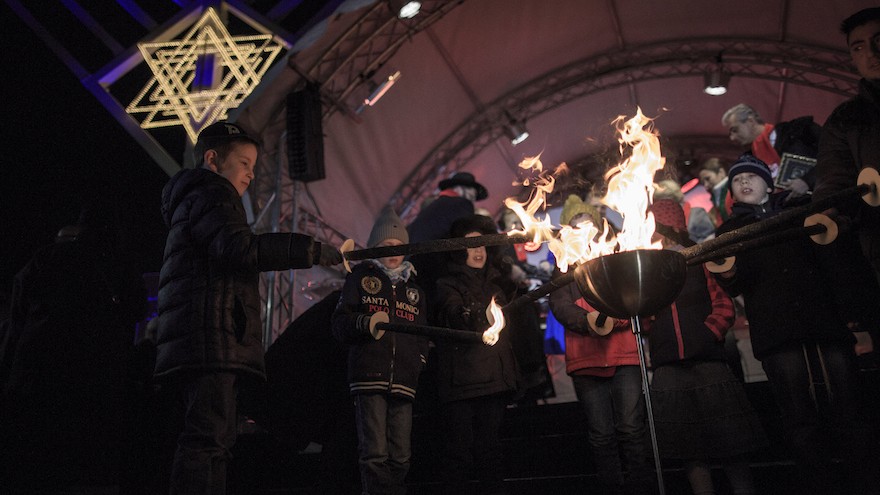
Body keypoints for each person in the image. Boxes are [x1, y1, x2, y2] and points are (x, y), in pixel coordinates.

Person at [154, 121, 342, 494]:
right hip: (212, 341)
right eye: (243, 163)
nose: (251, 175)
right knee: (209, 441)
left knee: (211, 440)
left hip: (205, 340)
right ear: (212, 159)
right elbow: (240, 249)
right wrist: (310, 249)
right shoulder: (212, 195)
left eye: (253, 166)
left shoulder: (195, 200)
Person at [712, 154, 878, 495]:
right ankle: (820, 485)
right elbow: (736, 282)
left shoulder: (802, 213)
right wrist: (727, 270)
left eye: (750, 177)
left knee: (850, 410)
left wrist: (850, 312)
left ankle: (866, 482)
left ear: (768, 183)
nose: (743, 182)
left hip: (823, 322)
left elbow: (835, 264)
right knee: (799, 419)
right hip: (778, 332)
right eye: (737, 180)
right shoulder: (728, 231)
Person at [1, 202, 148, 493]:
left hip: (39, 373)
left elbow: (17, 319)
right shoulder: (118, 263)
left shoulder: (47, 257)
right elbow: (137, 310)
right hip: (95, 381)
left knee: (38, 464)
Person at [646, 199, 767, 495]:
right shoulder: (648, 275)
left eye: (656, 229)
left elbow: (724, 306)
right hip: (670, 369)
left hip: (708, 366)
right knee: (691, 449)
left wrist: (706, 334)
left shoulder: (698, 264)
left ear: (672, 229)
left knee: (731, 442)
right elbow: (646, 315)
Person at [548, 196, 654, 495]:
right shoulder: (563, 269)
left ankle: (641, 486)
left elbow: (632, 299)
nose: (584, 231)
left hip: (623, 356)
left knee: (631, 428)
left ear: (599, 226)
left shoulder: (616, 259)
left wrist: (609, 318)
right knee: (601, 434)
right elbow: (560, 304)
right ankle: (612, 487)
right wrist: (590, 319)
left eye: (588, 223)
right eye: (576, 226)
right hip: (586, 360)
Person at [332, 206, 430, 495]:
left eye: (398, 245)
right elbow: (340, 323)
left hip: (404, 379)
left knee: (401, 454)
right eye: (386, 245)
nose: (393, 250)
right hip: (368, 375)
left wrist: (419, 360)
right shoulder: (360, 279)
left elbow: (422, 332)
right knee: (374, 451)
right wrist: (364, 323)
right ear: (374, 247)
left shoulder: (415, 290)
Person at [433, 214, 519, 495]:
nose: (478, 251)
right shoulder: (446, 284)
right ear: (459, 250)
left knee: (491, 452)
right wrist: (475, 314)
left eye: (482, 244)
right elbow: (453, 314)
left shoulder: (497, 286)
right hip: (462, 382)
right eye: (472, 245)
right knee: (459, 452)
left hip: (493, 381)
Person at [815, 7, 880, 286]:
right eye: (859, 46)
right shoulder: (846, 120)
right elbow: (835, 181)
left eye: (879, 40)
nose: (871, 52)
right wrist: (828, 212)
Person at [721, 103, 821, 196]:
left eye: (735, 130)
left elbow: (832, 155)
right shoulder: (748, 160)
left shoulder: (798, 131)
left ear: (750, 121)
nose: (732, 138)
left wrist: (808, 181)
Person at [697, 158, 733, 225]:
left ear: (721, 172)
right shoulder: (715, 197)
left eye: (708, 178)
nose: (706, 185)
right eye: (703, 182)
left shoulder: (735, 189)